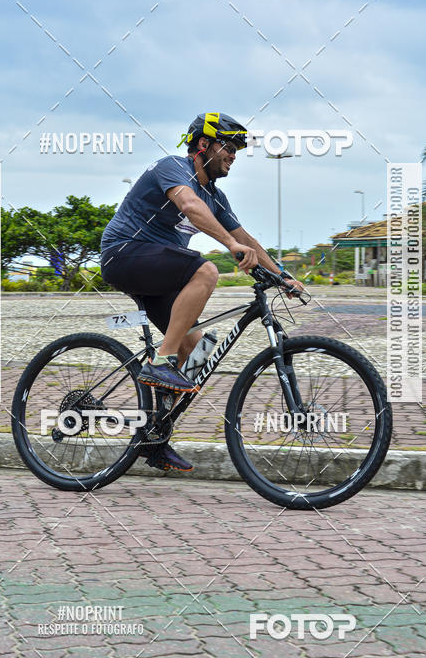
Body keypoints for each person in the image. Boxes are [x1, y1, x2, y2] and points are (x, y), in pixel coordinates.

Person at [99, 112, 303, 471]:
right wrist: (229, 246)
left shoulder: (215, 196)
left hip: (158, 271)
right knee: (206, 270)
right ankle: (160, 362)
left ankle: (154, 436)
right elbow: (191, 208)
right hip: (124, 253)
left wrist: (281, 276)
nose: (234, 155)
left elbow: (245, 239)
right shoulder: (172, 167)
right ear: (203, 145)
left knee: (198, 351)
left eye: (238, 149)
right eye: (228, 146)